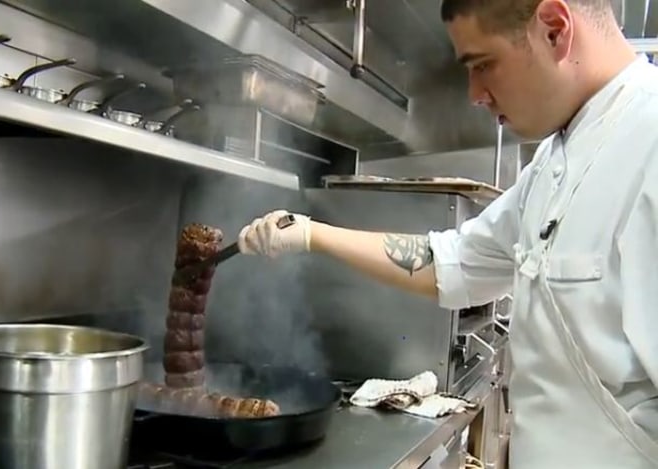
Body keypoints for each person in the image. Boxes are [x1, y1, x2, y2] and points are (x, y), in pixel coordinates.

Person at [237, 0, 658, 467]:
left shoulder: (649, 142)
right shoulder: (554, 160)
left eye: (482, 64)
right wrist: (310, 234)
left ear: (555, 30)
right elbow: (455, 262)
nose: (475, 93)